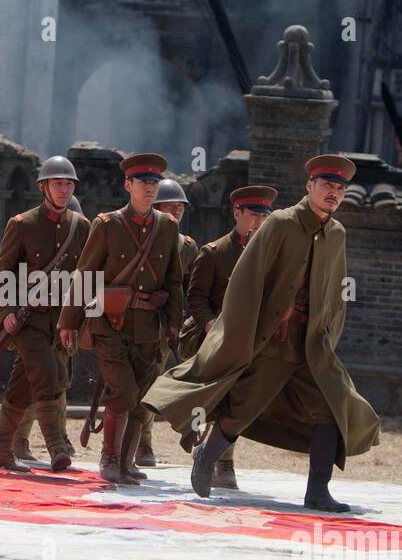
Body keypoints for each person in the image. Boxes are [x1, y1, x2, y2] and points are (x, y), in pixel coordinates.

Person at [144, 155, 381, 511]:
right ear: (310, 187)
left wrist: (328, 337)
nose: (333, 193)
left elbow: (335, 295)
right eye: (327, 185)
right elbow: (246, 280)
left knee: (331, 409)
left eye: (339, 188)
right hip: (272, 338)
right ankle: (207, 456)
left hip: (311, 344)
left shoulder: (336, 234)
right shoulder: (280, 224)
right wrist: (239, 334)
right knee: (244, 406)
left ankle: (318, 491)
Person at [57, 152, 183, 484]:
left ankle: (126, 463)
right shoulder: (107, 224)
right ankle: (109, 459)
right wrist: (69, 322)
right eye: (143, 182)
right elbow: (84, 275)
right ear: (128, 184)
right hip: (109, 323)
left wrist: (173, 322)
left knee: (142, 398)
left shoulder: (167, 227)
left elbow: (173, 280)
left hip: (148, 326)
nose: (150, 189)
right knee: (123, 390)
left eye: (155, 183)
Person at [0, 156, 88, 471]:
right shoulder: (22, 224)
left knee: (24, 384)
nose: (63, 189)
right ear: (43, 186)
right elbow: (1, 270)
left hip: (59, 321)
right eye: (57, 183)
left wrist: (84, 318)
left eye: (68, 184)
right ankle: (57, 447)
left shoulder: (80, 226)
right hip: (27, 319)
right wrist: (5, 309)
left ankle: (1, 450)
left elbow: (87, 273)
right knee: (47, 375)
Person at [176, 185, 277, 489]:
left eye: (264, 215)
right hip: (214, 340)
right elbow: (196, 298)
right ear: (237, 213)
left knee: (237, 401)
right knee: (218, 399)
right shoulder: (215, 252)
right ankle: (217, 457)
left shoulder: (270, 254)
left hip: (251, 341)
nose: (259, 221)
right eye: (253, 215)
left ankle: (220, 459)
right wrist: (210, 327)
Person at [134, 177, 199, 467]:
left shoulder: (187, 246)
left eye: (180, 208)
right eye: (169, 207)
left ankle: (143, 443)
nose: (176, 212)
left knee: (152, 383)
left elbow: (190, 290)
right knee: (128, 384)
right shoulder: (139, 236)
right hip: (133, 319)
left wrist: (185, 322)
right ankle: (123, 444)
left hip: (164, 327)